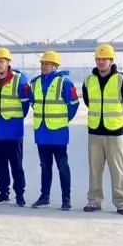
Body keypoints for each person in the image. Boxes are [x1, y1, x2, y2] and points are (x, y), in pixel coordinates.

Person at [81, 43, 123, 215]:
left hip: (115, 132)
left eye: (104, 59)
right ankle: (94, 201)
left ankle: (121, 202)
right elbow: (88, 101)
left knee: (118, 169)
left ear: (111, 60)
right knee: (94, 169)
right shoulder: (89, 81)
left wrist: (119, 118)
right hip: (95, 131)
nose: (101, 62)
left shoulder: (121, 80)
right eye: (98, 59)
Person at [29, 51, 79, 210]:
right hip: (41, 132)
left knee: (62, 166)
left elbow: (73, 104)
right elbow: (33, 103)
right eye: (43, 64)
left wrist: (64, 119)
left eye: (48, 64)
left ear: (55, 66)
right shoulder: (35, 83)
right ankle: (44, 197)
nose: (44, 66)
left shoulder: (65, 83)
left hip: (58, 133)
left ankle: (66, 199)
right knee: (45, 166)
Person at [0, 47, 31, 206]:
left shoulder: (19, 79)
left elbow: (25, 104)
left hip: (13, 130)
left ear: (8, 63)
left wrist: (16, 118)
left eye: (1, 61)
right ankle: (3, 193)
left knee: (16, 165)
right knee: (0, 165)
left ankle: (20, 194)